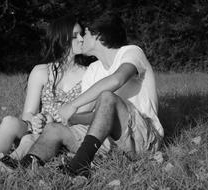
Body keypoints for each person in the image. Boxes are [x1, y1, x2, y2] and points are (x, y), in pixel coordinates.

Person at [16, 11, 164, 178]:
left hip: (142, 139)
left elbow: (117, 79)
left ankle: (79, 165)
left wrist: (72, 105)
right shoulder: (94, 70)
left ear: (97, 35)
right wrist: (58, 118)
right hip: (108, 141)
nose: (80, 39)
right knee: (54, 129)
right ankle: (23, 167)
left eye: (83, 33)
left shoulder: (131, 52)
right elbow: (85, 115)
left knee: (107, 97)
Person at [0, 14, 91, 171]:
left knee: (31, 137)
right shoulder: (41, 71)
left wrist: (50, 124)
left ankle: (8, 165)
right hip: (37, 128)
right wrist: (36, 120)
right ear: (61, 38)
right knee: (9, 121)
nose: (82, 39)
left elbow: (84, 117)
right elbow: (28, 113)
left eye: (82, 34)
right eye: (75, 36)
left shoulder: (89, 73)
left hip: (63, 132)